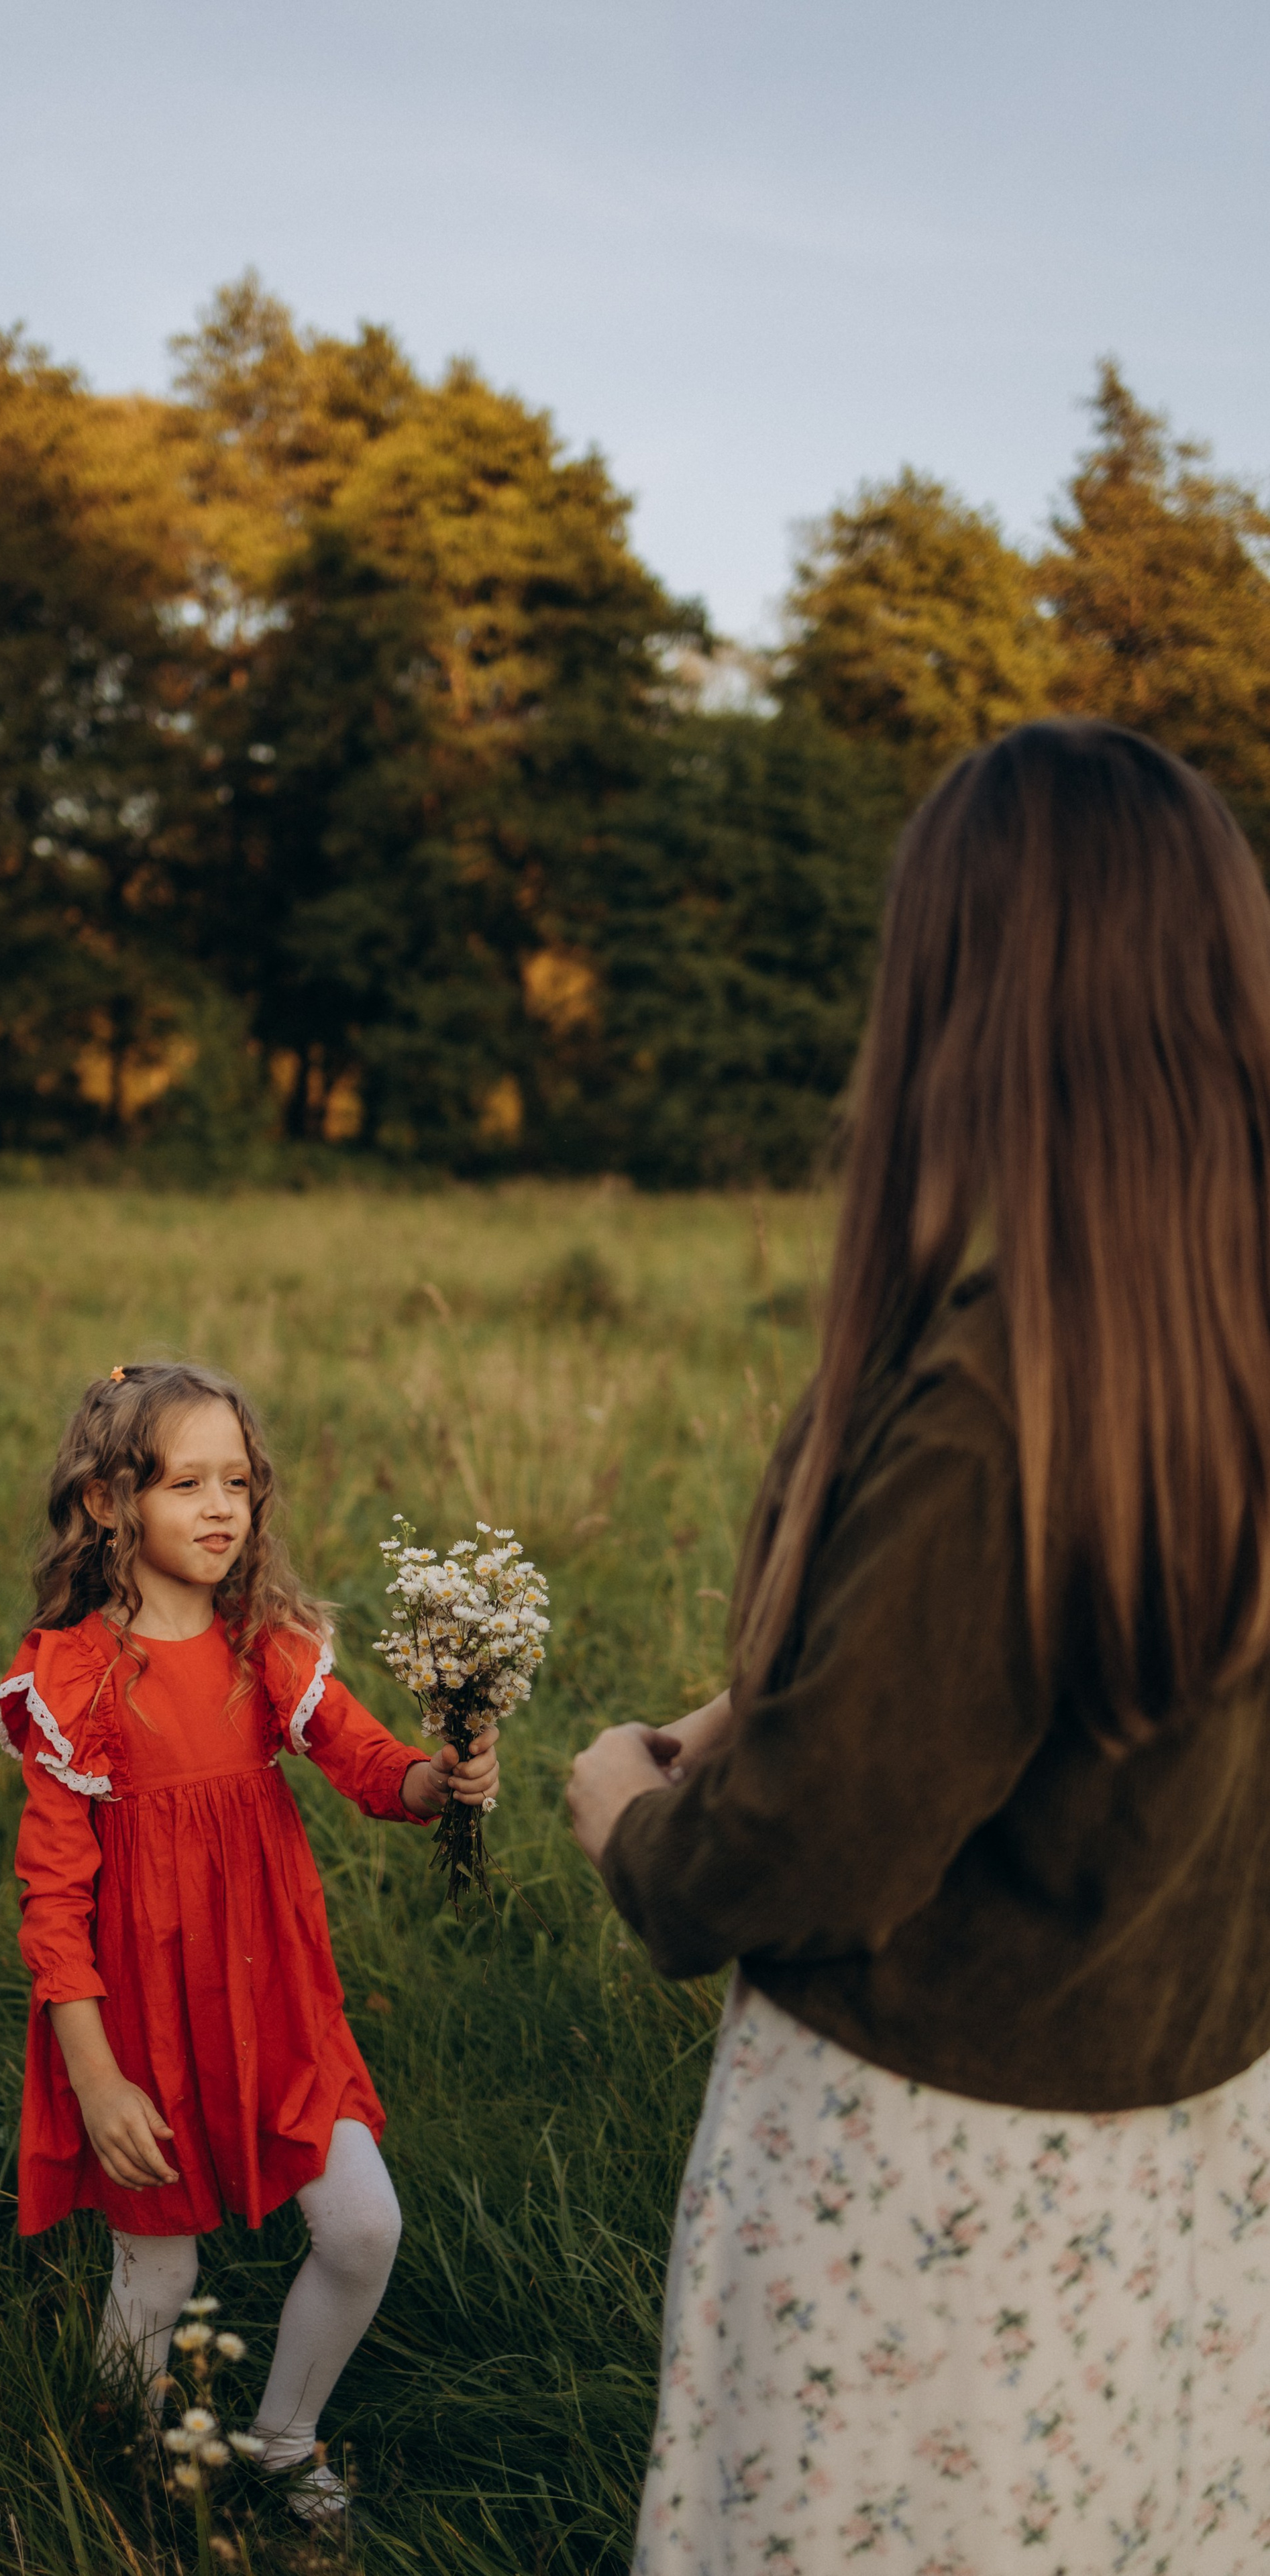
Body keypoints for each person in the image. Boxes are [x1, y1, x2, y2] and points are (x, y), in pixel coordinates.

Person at [567, 722, 1270, 2572]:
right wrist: (783, 1698)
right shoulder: (1224, 1358)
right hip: (1189, 2183)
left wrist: (626, 1812)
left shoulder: (1006, 1402)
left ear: (975, 998)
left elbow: (811, 1851)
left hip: (938, 2213)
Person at [0, 1358, 498, 2526]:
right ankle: (121, 2476)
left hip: (274, 2001)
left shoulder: (264, 1642)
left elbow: (369, 1762)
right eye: (185, 1483)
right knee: (160, 2274)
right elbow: (53, 1895)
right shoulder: (74, 1674)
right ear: (113, 1502)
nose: (222, 1508)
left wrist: (437, 1781)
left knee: (365, 2227)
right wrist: (95, 2070)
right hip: (142, 2022)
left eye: (237, 1482)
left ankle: (280, 2438)